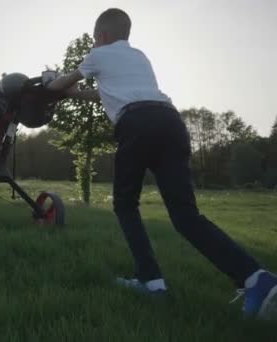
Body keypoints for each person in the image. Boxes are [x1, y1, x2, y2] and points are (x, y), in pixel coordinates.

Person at [46, 8, 277, 319]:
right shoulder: (139, 57)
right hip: (169, 121)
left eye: (94, 39)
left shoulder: (98, 54)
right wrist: (79, 93)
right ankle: (255, 277)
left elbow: (59, 85)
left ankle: (150, 281)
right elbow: (109, 92)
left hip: (137, 124)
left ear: (100, 36)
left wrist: (51, 83)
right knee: (186, 216)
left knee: (126, 205)